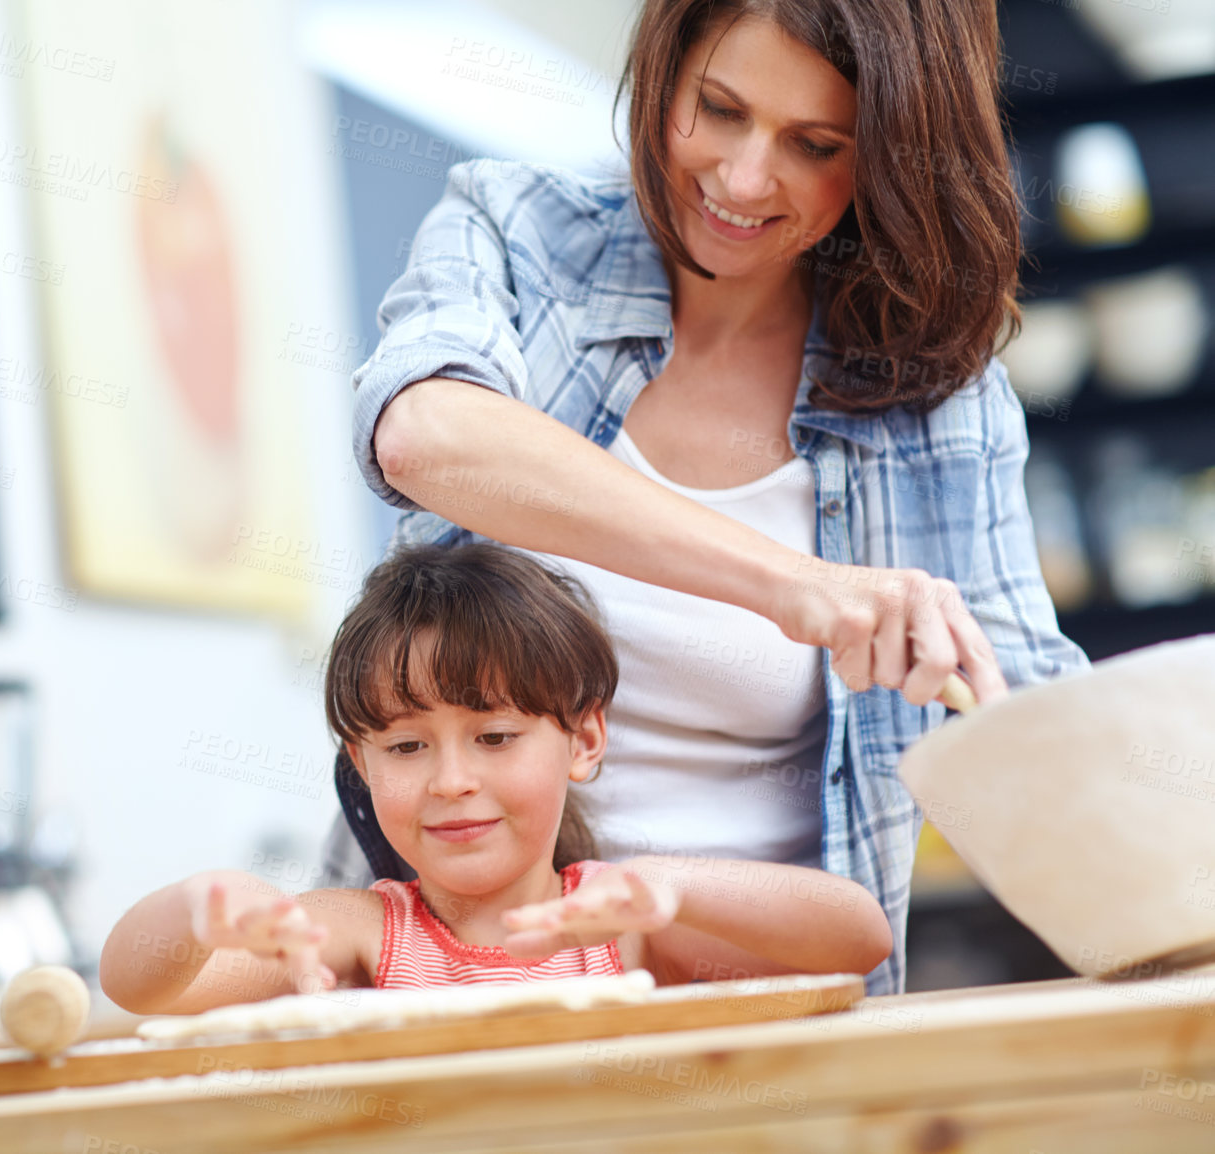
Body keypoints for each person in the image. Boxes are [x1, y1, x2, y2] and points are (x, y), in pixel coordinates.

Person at [328, 0, 1090, 997]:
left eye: (814, 144)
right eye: (718, 109)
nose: (740, 179)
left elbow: (1031, 714)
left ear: (890, 158)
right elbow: (422, 434)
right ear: (665, 72)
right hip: (458, 985)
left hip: (769, 1008)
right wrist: (790, 584)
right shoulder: (520, 234)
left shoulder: (934, 394)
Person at [100, 544, 892, 1013]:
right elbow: (146, 991)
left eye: (495, 736)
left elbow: (858, 940)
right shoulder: (359, 934)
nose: (451, 780)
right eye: (407, 749)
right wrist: (193, 908)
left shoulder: (622, 929)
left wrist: (666, 885)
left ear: (583, 738)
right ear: (361, 765)